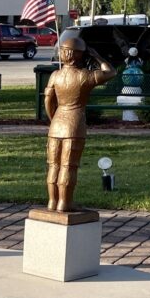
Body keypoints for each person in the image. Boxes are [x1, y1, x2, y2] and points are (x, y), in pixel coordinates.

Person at [43, 37, 116, 212]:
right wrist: (97, 56)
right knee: (69, 166)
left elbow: (48, 101)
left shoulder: (55, 75)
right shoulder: (85, 75)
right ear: (81, 55)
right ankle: (65, 202)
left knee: (54, 165)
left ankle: (52, 201)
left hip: (56, 124)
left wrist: (53, 119)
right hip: (74, 125)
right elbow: (111, 72)